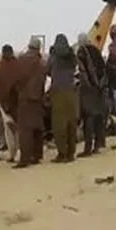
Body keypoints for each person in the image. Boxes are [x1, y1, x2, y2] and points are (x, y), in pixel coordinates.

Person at [12, 36, 47, 169]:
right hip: (38, 98)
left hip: (25, 98)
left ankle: (25, 158)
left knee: (25, 130)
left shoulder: (21, 60)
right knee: (38, 128)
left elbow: (17, 79)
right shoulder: (41, 62)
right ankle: (37, 155)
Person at [46, 33, 79, 163]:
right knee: (71, 123)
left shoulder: (53, 57)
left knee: (59, 124)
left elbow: (47, 70)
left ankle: (62, 153)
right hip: (71, 91)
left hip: (58, 91)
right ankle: (71, 152)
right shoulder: (72, 56)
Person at [75, 32, 108, 157]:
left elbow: (82, 71)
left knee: (88, 117)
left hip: (88, 89)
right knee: (99, 117)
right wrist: (101, 85)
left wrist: (87, 84)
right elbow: (103, 69)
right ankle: (98, 145)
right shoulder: (96, 51)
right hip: (99, 89)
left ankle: (87, 148)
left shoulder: (81, 52)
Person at [0, 44, 20, 162]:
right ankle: (19, 152)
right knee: (19, 128)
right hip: (17, 102)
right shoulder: (18, 64)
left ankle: (12, 153)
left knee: (8, 129)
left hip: (4, 103)